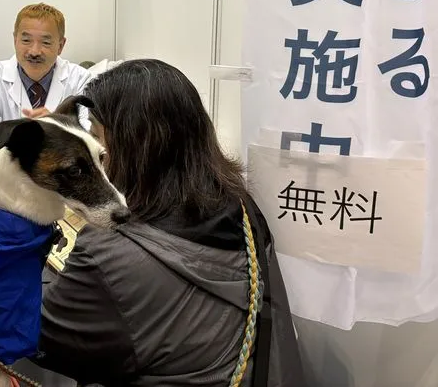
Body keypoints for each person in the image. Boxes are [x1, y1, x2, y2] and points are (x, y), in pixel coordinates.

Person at [35, 59, 306, 386]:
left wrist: (28, 238)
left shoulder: (109, 253)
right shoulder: (240, 206)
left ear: (133, 146)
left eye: (94, 135)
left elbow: (38, 334)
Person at [0, 3, 93, 147]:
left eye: (46, 42)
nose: (34, 52)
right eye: (26, 40)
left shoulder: (81, 79)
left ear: (60, 45)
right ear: (15, 40)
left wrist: (56, 126)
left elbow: (90, 138)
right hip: (7, 161)